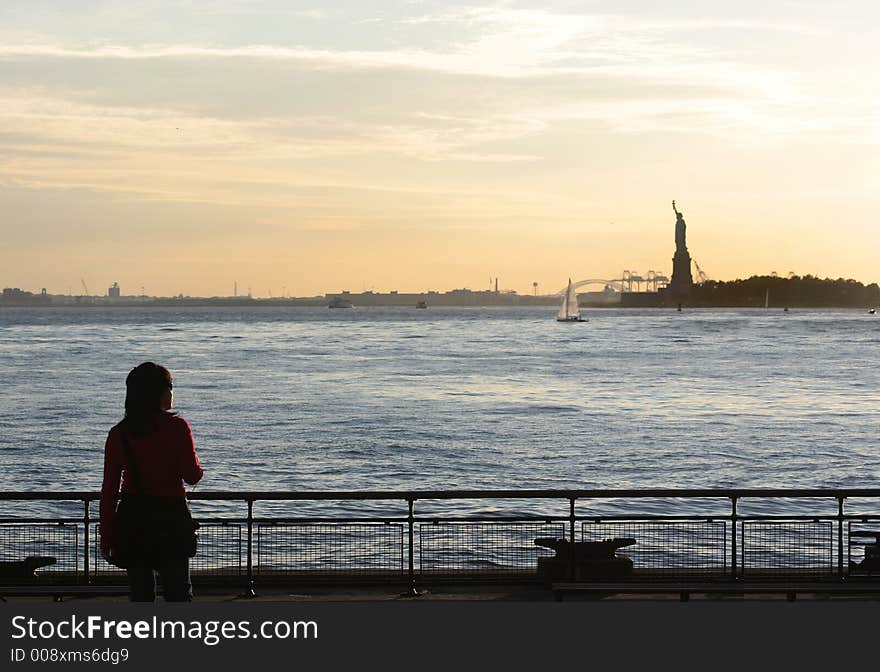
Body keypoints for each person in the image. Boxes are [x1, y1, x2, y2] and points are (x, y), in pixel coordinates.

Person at [100, 362, 204, 602]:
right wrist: (198, 465)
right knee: (178, 593)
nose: (172, 392)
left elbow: (108, 491)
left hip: (133, 519)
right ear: (159, 392)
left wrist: (106, 536)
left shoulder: (119, 434)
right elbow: (191, 475)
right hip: (171, 518)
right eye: (170, 387)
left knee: (140, 594)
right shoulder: (178, 428)